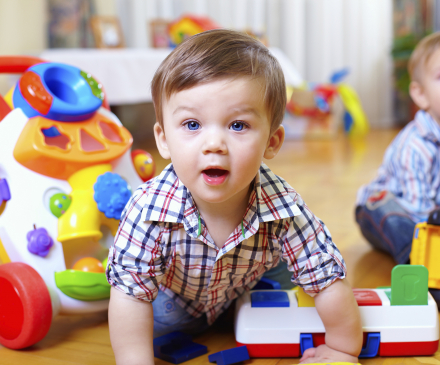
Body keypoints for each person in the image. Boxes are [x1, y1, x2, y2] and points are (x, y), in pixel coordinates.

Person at [106, 29, 362, 365]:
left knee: (292, 284)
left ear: (272, 142)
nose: (214, 144)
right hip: (174, 304)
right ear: (163, 139)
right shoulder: (148, 208)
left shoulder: (285, 206)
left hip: (248, 287)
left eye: (238, 125)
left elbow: (327, 279)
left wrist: (343, 348)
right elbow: (130, 295)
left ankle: (255, 303)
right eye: (192, 124)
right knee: (146, 315)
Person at [355, 32, 440, 267]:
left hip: (431, 212)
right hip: (387, 208)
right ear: (421, 95)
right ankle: (419, 263)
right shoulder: (414, 146)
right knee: (395, 219)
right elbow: (419, 212)